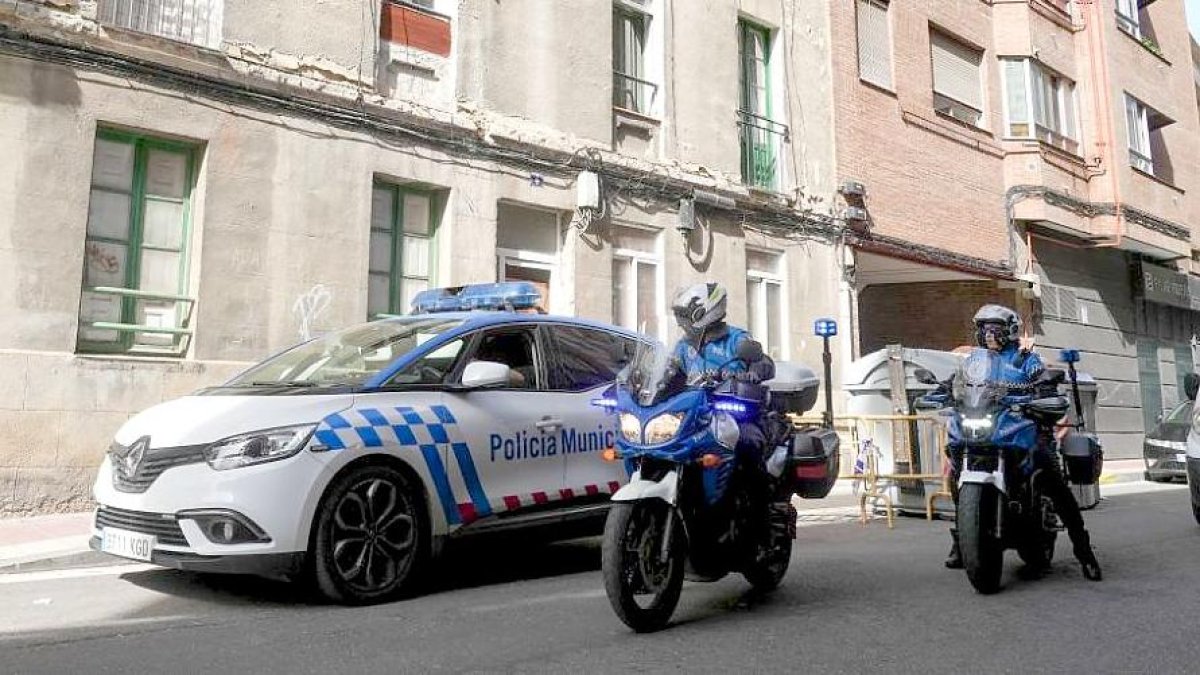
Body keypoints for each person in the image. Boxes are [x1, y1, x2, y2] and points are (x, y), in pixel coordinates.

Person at [942, 304, 1102, 581]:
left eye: (995, 328)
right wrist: (942, 390)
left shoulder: (1026, 359)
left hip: (1024, 428)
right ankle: (962, 539)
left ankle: (1084, 552)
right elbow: (956, 382)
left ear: (1011, 331)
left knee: (1055, 484)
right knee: (953, 472)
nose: (988, 334)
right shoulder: (974, 361)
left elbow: (1045, 383)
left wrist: (1044, 393)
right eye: (983, 328)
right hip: (985, 428)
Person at [669, 282, 776, 469]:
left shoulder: (736, 339)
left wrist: (753, 373)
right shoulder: (684, 346)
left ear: (704, 313)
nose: (681, 322)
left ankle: (758, 496)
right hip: (694, 415)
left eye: (685, 316)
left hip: (733, 415)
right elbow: (670, 371)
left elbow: (763, 362)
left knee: (748, 440)